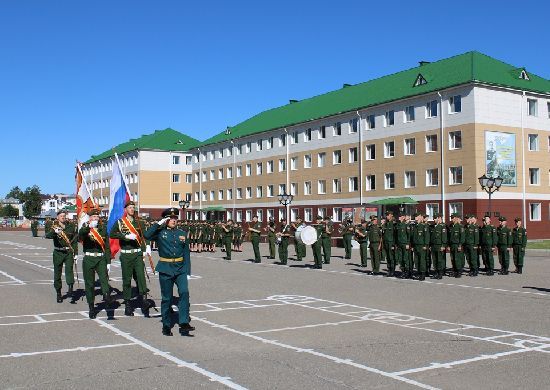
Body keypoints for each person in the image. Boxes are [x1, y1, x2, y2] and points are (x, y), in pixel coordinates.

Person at [144, 208, 194, 336]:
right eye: (170, 218)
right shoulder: (160, 232)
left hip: (180, 268)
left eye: (175, 218)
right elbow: (146, 235)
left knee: (184, 292)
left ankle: (183, 323)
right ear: (166, 220)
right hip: (166, 268)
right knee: (167, 298)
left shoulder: (182, 233)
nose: (173, 220)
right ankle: (166, 325)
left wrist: (187, 271)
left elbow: (186, 253)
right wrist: (159, 223)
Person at [109, 200, 150, 316]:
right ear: (125, 210)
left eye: (133, 207)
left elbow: (144, 236)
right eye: (130, 207)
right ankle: (128, 303)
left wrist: (146, 247)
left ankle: (144, 300)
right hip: (126, 254)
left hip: (137, 254)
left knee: (141, 277)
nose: (132, 209)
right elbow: (112, 234)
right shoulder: (120, 222)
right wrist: (125, 236)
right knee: (127, 279)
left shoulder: (139, 222)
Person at [79, 209, 114, 318]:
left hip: (100, 258)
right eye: (93, 217)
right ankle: (91, 307)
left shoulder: (103, 229)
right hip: (89, 258)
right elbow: (81, 235)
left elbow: (107, 246)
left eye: (97, 217)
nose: (96, 218)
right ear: (90, 218)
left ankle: (107, 297)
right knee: (89, 284)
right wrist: (89, 227)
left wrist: (108, 262)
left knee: (104, 279)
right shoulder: (85, 228)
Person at [45, 210, 78, 303]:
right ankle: (58, 293)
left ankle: (70, 287)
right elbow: (47, 236)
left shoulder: (71, 226)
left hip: (68, 252)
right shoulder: (54, 226)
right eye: (61, 216)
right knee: (57, 273)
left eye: (64, 215)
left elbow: (74, 240)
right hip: (58, 252)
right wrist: (54, 232)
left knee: (69, 270)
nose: (63, 217)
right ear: (58, 217)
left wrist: (76, 253)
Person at [411, 213, 430, 280]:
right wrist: (413, 246)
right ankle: (418, 272)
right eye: (415, 216)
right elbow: (413, 237)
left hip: (422, 246)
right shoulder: (415, 226)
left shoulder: (424, 226)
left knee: (422, 260)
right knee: (416, 260)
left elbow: (427, 237)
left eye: (416, 216)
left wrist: (425, 245)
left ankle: (423, 274)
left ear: (420, 217)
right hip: (416, 246)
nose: (415, 218)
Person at [430, 213, 447, 279]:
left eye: (435, 218)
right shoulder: (434, 226)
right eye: (434, 218)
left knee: (439, 260)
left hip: (439, 245)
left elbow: (444, 237)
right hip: (434, 245)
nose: (434, 219)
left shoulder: (442, 227)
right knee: (434, 260)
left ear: (439, 218)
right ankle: (436, 272)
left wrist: (443, 245)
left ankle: (440, 273)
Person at [448, 214, 465, 278]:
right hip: (452, 245)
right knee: (453, 259)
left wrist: (460, 245)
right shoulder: (451, 226)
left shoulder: (460, 227)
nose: (451, 219)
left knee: (457, 259)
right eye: (451, 218)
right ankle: (454, 271)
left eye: (452, 218)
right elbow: (449, 237)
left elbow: (462, 237)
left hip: (457, 245)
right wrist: (449, 245)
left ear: (456, 218)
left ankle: (459, 271)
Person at [395, 214, 412, 278]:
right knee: (400, 258)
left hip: (405, 244)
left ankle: (407, 272)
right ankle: (403, 271)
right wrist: (396, 244)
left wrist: (407, 243)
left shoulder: (406, 225)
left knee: (405, 258)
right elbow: (396, 235)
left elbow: (409, 235)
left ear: (403, 217)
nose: (398, 217)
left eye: (400, 216)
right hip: (399, 244)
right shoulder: (398, 225)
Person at [382, 211, 396, 276]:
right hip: (386, 242)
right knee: (387, 257)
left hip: (391, 243)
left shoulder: (393, 224)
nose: (387, 216)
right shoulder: (385, 224)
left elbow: (395, 235)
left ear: (391, 215)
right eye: (386, 215)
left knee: (391, 257)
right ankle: (389, 270)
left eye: (388, 215)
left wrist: (394, 244)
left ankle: (392, 270)